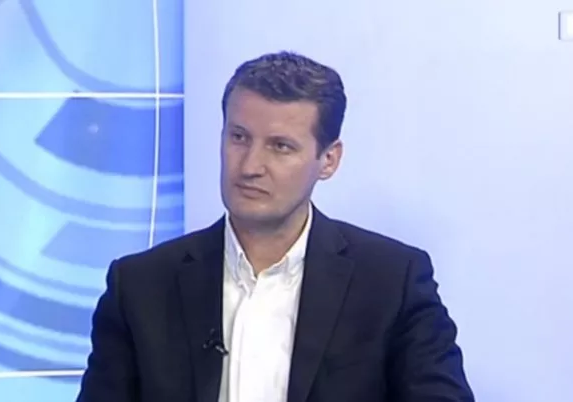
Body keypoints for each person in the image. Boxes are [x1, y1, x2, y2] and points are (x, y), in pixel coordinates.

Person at [76, 51, 474, 402]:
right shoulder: (140, 286)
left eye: (280, 146)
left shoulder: (392, 281)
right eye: (239, 137)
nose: (250, 166)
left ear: (329, 160)